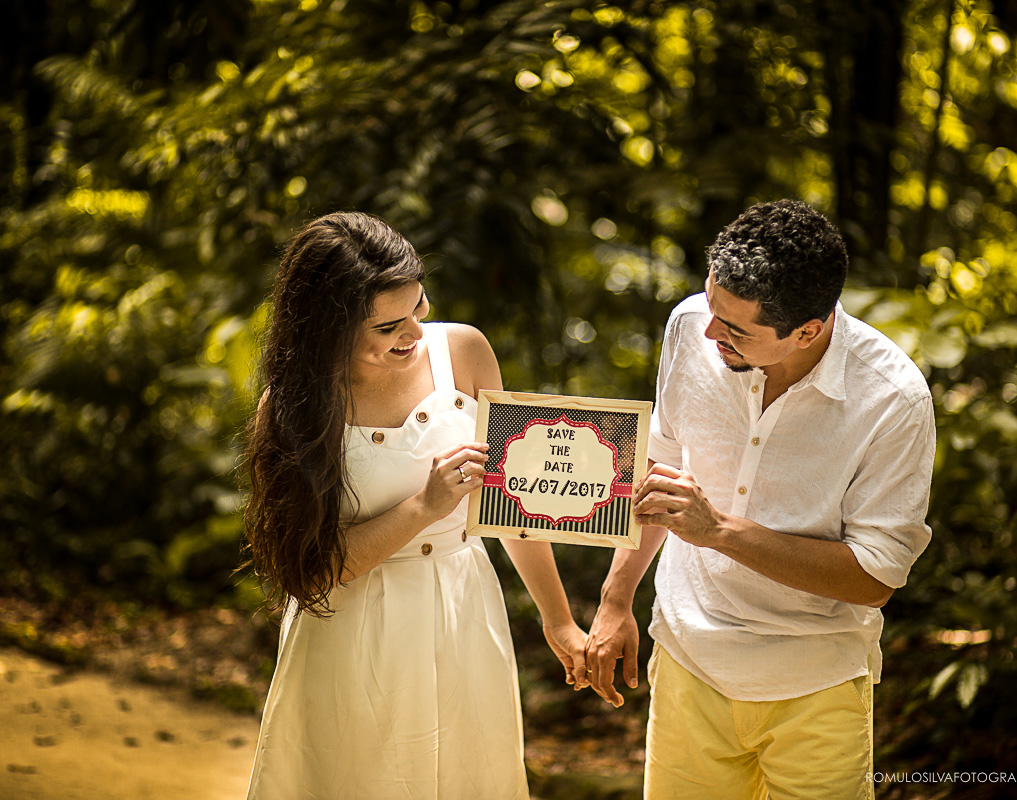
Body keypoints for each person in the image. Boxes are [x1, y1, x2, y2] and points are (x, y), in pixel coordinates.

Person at [584, 200, 936, 799]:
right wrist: (616, 600)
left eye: (735, 329)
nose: (708, 331)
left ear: (808, 329)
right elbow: (660, 469)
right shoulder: (691, 327)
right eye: (711, 304)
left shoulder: (893, 401)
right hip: (687, 659)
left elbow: (875, 578)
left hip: (813, 683)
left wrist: (718, 530)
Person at [242, 211, 588, 800]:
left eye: (418, 307)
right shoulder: (294, 406)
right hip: (352, 632)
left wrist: (558, 622)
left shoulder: (465, 352)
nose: (412, 332)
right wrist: (424, 507)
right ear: (328, 326)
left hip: (463, 611)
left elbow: (515, 500)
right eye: (386, 326)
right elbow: (310, 572)